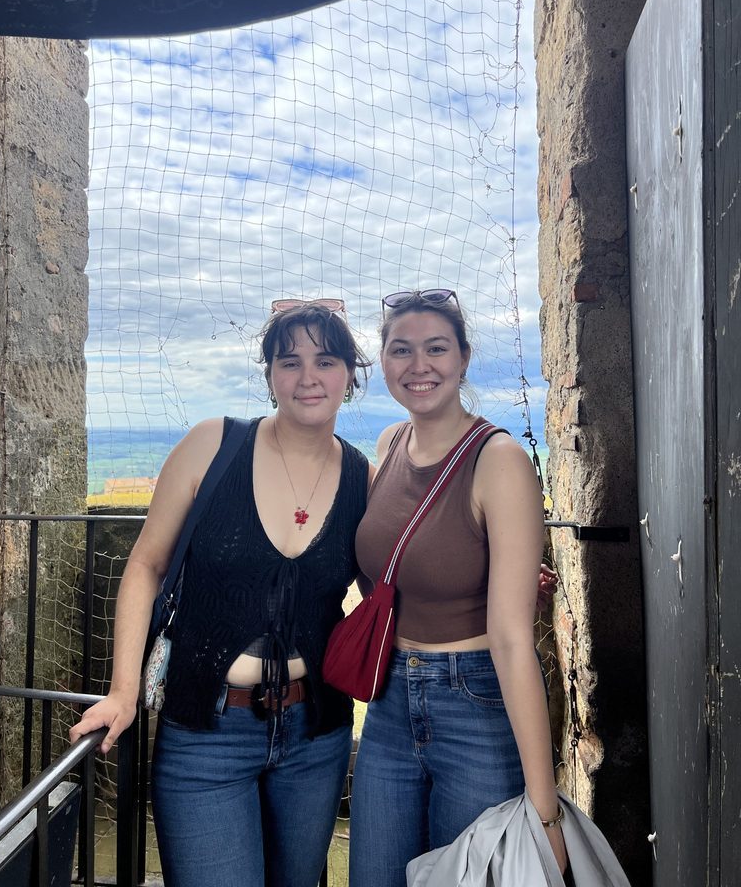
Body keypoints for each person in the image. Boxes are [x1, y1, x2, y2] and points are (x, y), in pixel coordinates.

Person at [70, 300, 372, 887]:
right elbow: (146, 566)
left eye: (326, 360)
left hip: (317, 735)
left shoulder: (363, 478)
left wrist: (499, 593)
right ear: (268, 376)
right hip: (206, 733)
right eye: (289, 361)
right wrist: (123, 691)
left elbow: (390, 591)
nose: (308, 377)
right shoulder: (215, 446)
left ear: (349, 376)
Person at [349, 288, 568, 887]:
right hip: (389, 703)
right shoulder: (390, 444)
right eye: (401, 350)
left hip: (474, 700)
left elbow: (511, 639)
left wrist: (545, 812)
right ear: (384, 362)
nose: (419, 365)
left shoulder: (499, 459)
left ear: (464, 359)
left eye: (436, 348)